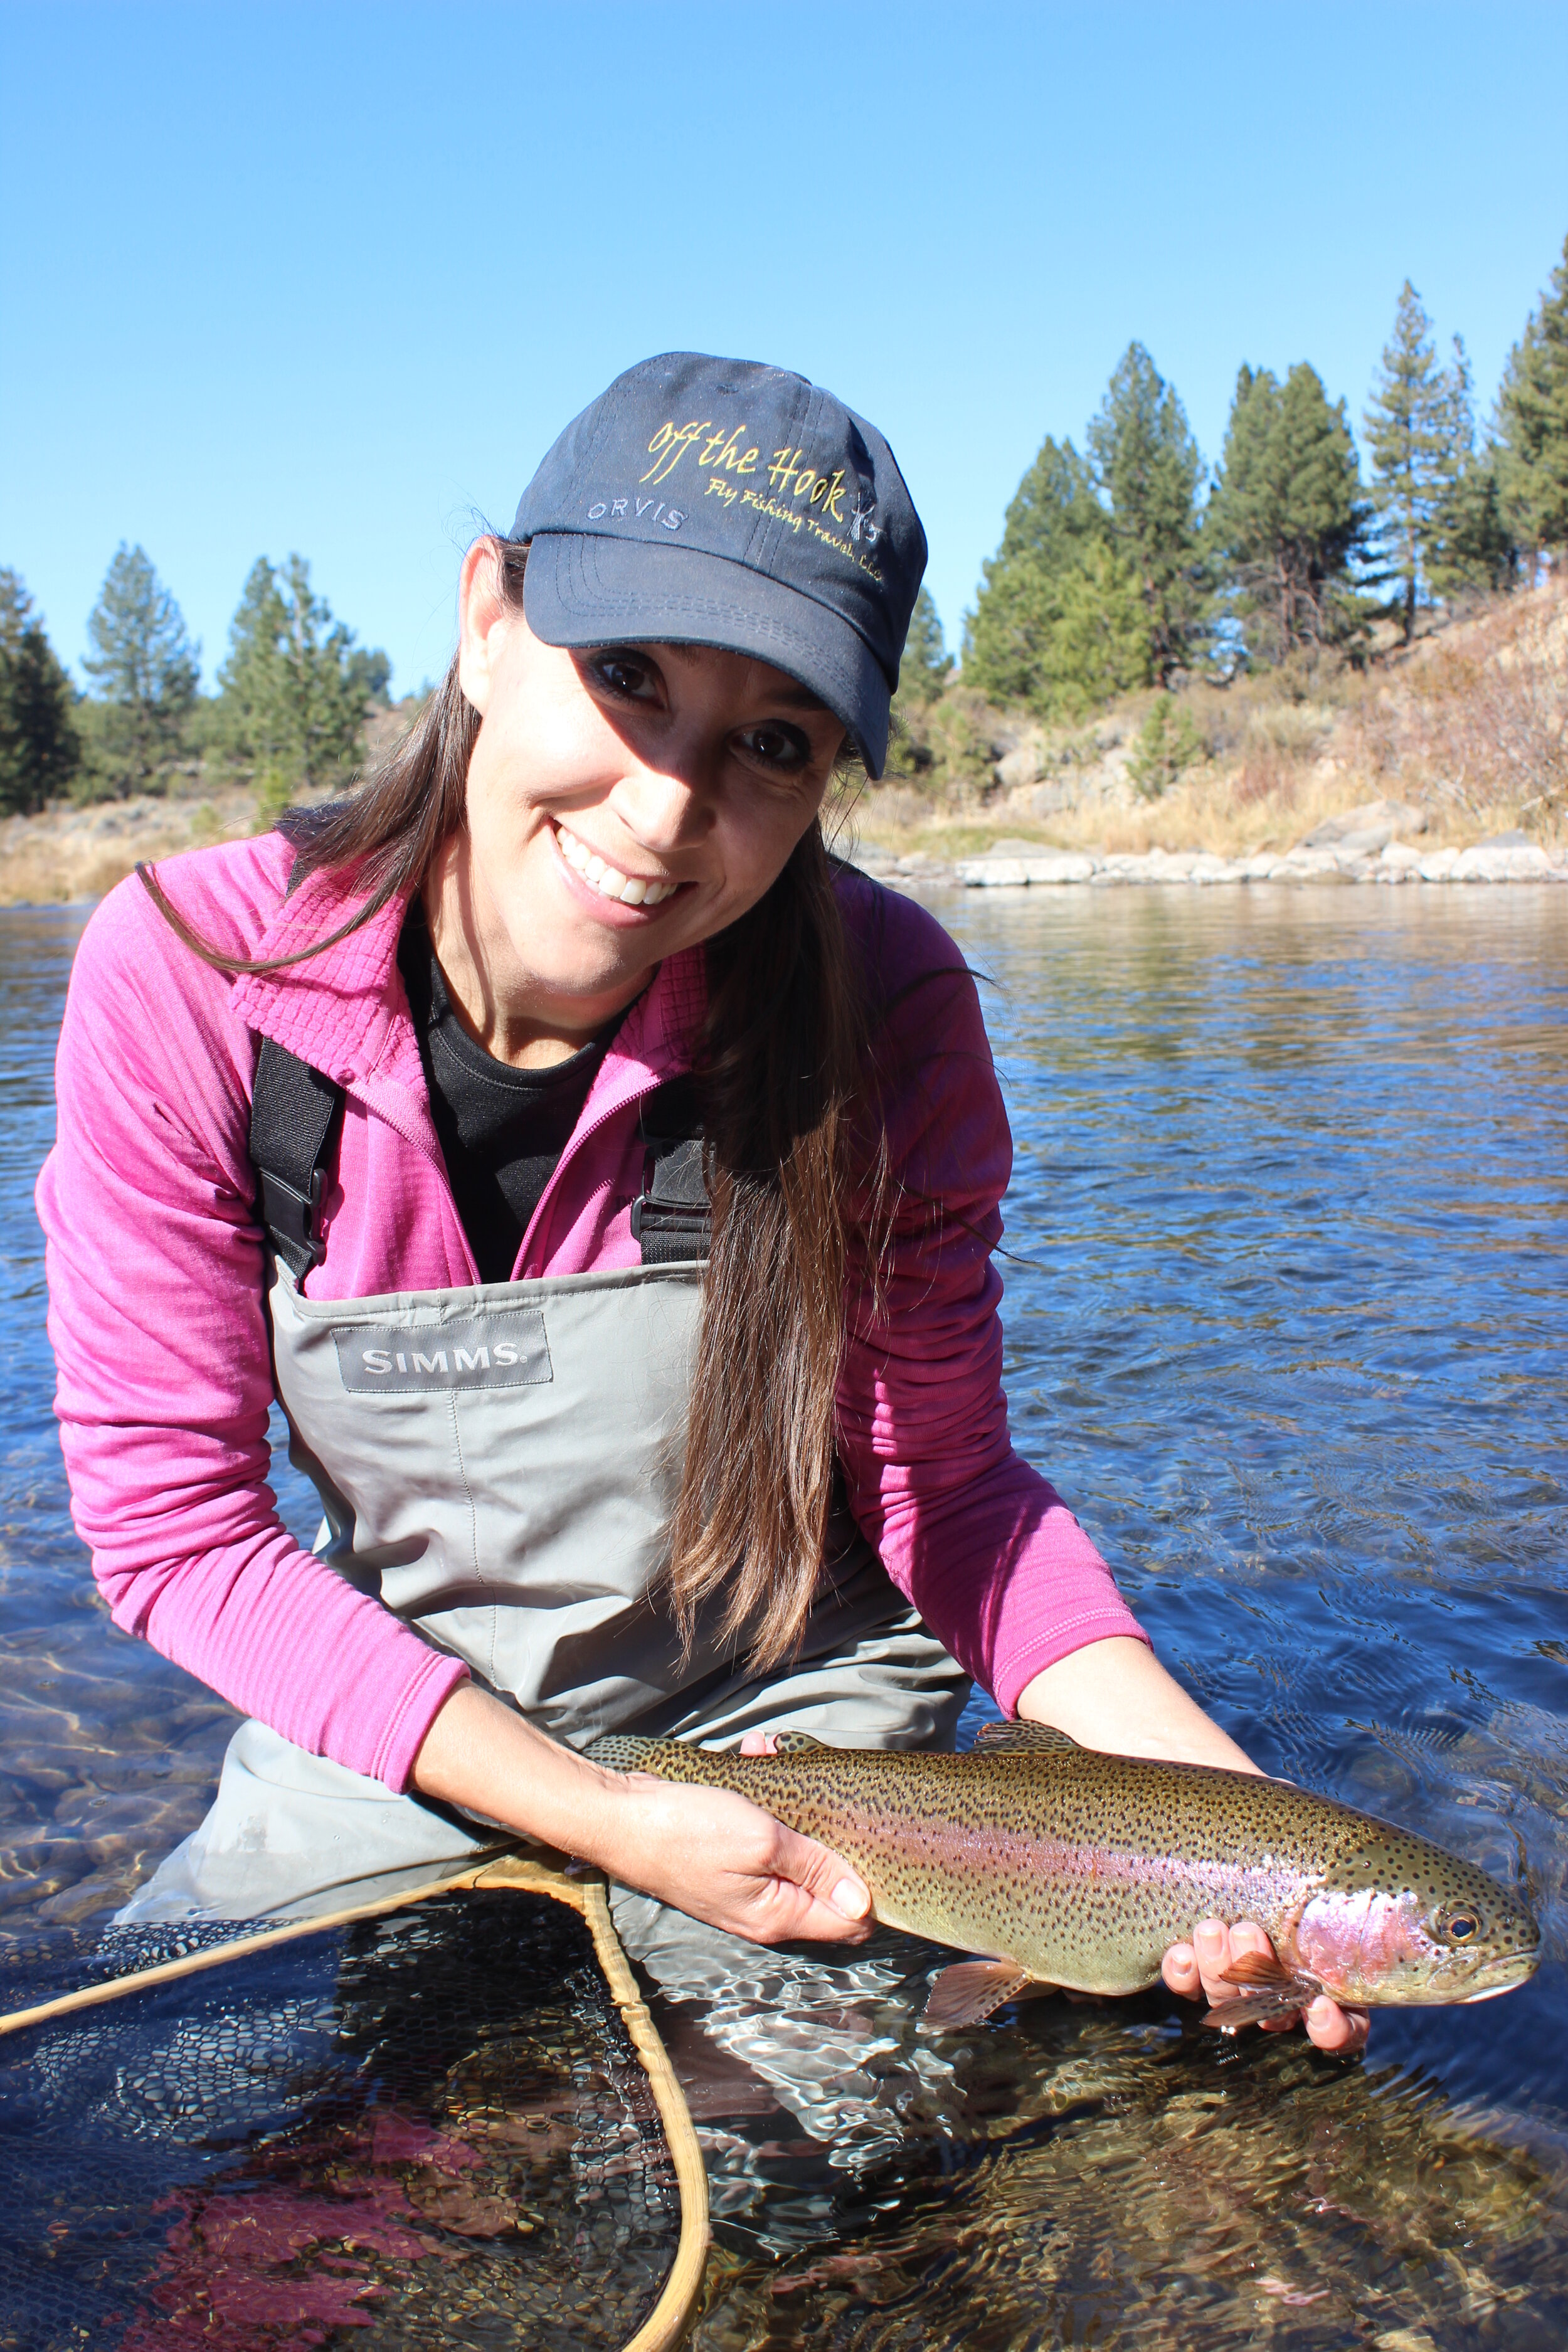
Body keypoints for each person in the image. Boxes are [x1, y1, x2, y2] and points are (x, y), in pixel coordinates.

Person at [38, 351, 1364, 2055]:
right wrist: (598, 1818)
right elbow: (178, 1538)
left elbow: (942, 1495)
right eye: (626, 676)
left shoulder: (886, 1005)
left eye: (769, 742)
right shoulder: (198, 974)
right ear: (487, 623)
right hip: (419, 1714)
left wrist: (1248, 1845)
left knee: (806, 2215)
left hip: (804, 1742)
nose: (666, 811)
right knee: (171, 2124)